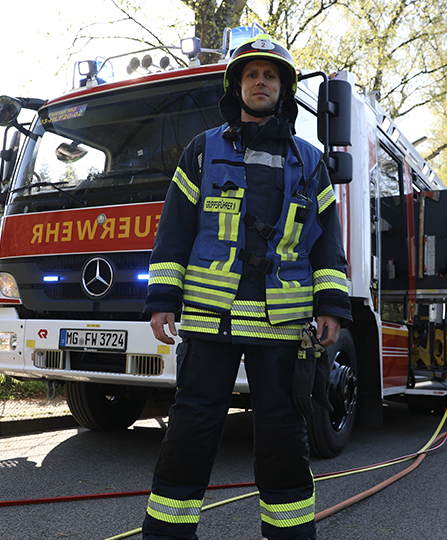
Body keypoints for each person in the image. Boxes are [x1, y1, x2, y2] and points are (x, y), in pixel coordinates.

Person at [141, 33, 352, 540]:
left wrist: (332, 306)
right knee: (192, 426)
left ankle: (290, 534)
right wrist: (162, 299)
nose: (261, 82)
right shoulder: (202, 150)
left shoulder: (310, 161)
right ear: (237, 86)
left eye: (271, 75)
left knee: (284, 434)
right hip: (211, 319)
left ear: (284, 88)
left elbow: (326, 245)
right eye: (252, 74)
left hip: (283, 325)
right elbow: (175, 230)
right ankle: (167, 533)